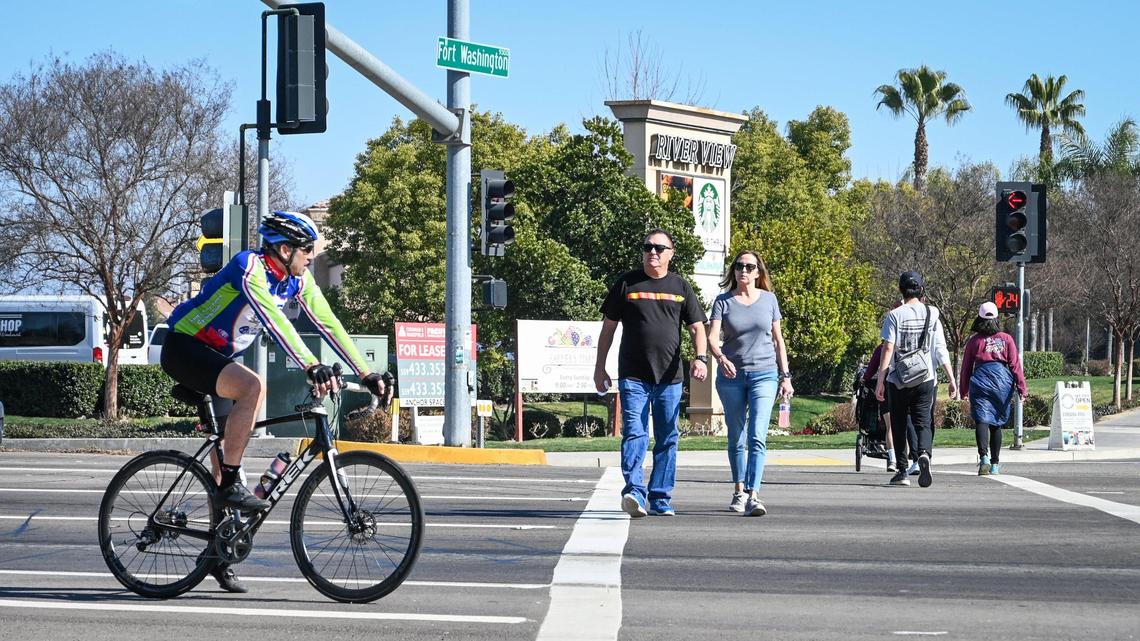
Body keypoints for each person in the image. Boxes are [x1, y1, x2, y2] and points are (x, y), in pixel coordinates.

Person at [162, 210, 391, 592]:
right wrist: (311, 365)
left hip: (219, 358)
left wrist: (365, 371)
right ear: (284, 249)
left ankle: (218, 553)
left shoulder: (296, 281)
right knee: (253, 388)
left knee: (224, 458)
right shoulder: (249, 268)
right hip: (185, 346)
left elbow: (328, 323)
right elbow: (276, 323)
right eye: (306, 251)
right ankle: (232, 482)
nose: (311, 258)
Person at [593, 229, 709, 518]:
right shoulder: (627, 283)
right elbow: (608, 328)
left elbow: (697, 327)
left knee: (668, 437)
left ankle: (660, 497)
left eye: (659, 248)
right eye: (647, 247)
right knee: (635, 433)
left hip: (670, 378)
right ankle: (634, 491)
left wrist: (701, 358)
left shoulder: (681, 287)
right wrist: (599, 367)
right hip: (633, 374)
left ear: (671, 253)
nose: (652, 252)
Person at [707, 250, 793, 516]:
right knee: (737, 437)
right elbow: (711, 337)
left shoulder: (769, 300)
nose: (743, 270)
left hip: (765, 375)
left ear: (758, 272)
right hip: (731, 378)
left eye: (749, 266)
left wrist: (786, 376)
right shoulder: (723, 301)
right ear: (734, 272)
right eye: (739, 266)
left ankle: (754, 495)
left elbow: (778, 340)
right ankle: (738, 491)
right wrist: (721, 358)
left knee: (757, 435)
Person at [874, 271, 957, 488]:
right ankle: (925, 454)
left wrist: (880, 379)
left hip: (899, 379)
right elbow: (940, 348)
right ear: (921, 290)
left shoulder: (894, 315)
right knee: (923, 421)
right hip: (925, 377)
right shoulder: (932, 314)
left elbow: (888, 348)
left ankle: (902, 471)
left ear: (901, 289)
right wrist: (951, 377)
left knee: (900, 423)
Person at [959, 301, 1027, 475]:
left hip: (981, 380)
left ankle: (984, 458)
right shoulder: (1007, 339)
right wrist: (1021, 389)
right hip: (1002, 382)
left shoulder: (975, 341)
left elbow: (966, 367)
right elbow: (1015, 366)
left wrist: (963, 390)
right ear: (997, 319)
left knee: (982, 419)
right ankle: (995, 464)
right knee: (996, 423)